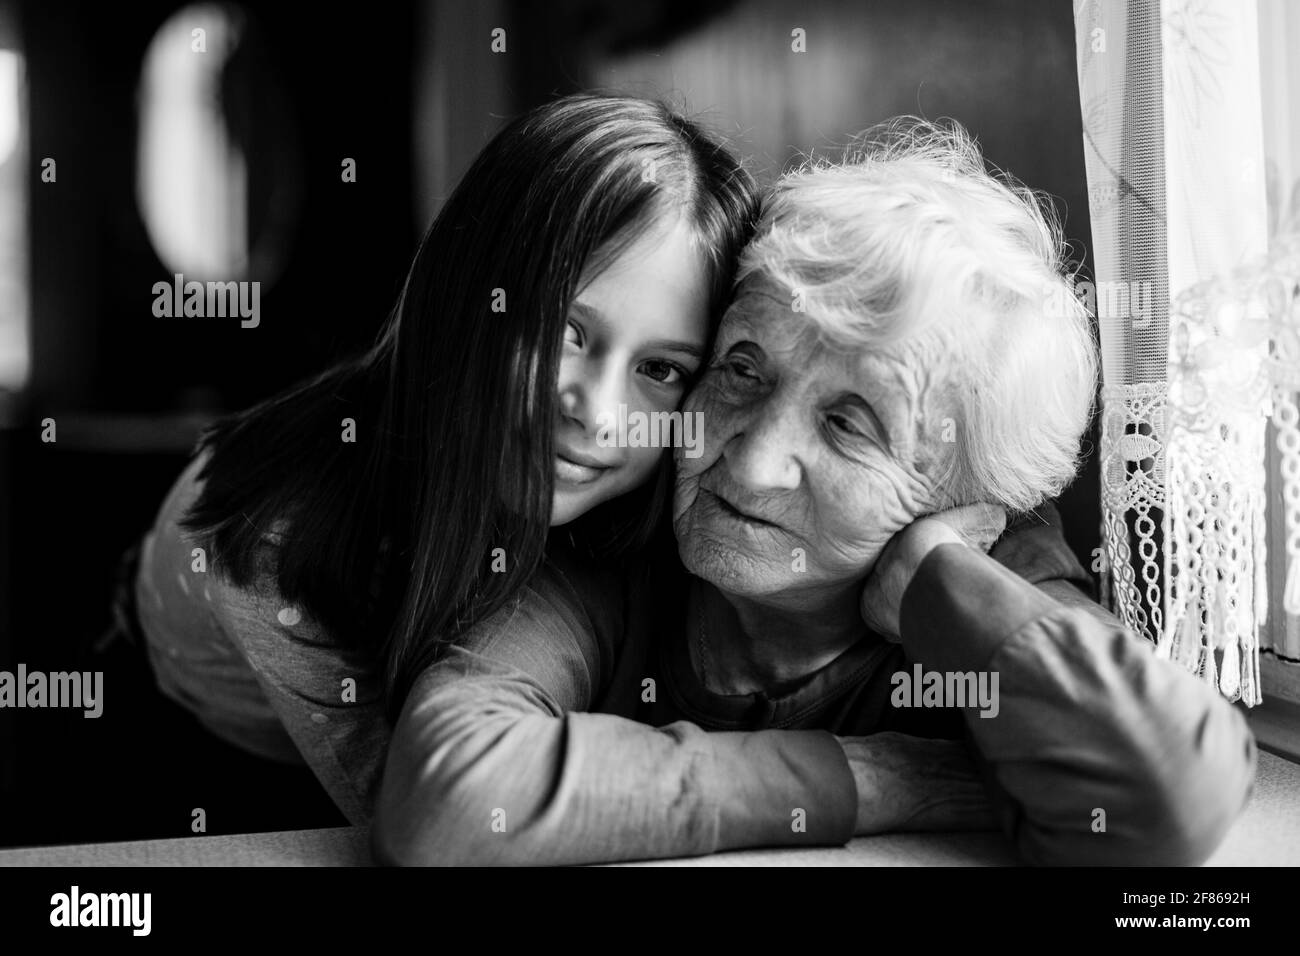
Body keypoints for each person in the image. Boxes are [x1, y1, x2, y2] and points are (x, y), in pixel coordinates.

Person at [371, 119, 1257, 866]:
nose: (750, 466)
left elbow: (1171, 786)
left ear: (966, 497)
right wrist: (886, 777)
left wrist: (932, 586)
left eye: (850, 424)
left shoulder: (993, 569)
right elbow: (454, 796)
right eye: (743, 369)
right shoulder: (617, 550)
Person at [119, 92, 761, 825]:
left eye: (661, 369)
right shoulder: (283, 544)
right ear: (466, 296)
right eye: (565, 331)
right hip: (196, 734)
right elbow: (454, 821)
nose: (600, 414)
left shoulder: (649, 502)